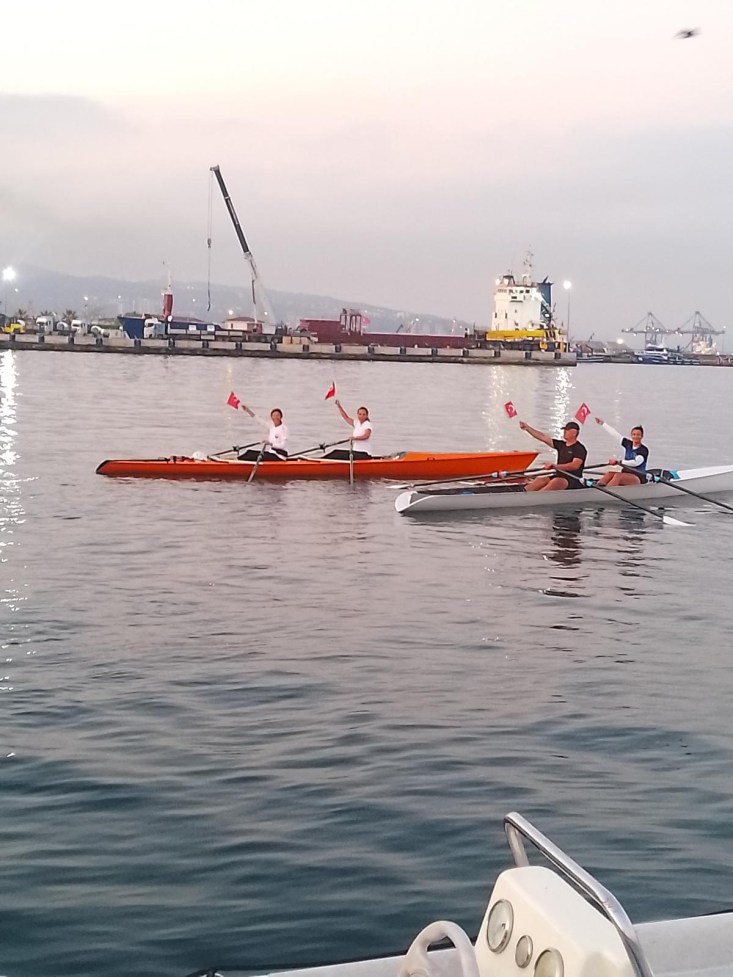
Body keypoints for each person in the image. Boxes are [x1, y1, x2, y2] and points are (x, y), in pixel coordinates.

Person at [519, 419, 588, 491]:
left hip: (573, 479)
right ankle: (523, 493)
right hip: (559, 476)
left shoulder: (579, 448)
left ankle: (539, 496)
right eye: (564, 430)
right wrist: (527, 428)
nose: (564, 432)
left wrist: (555, 466)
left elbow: (574, 466)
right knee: (541, 479)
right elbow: (543, 437)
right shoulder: (561, 445)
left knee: (556, 481)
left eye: (567, 430)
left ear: (574, 433)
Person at [595, 417, 648, 485]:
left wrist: (619, 462)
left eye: (638, 435)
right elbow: (615, 434)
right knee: (609, 473)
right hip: (626, 473)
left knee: (618, 476)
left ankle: (608, 489)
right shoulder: (628, 444)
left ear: (642, 436)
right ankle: (598, 486)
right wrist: (603, 424)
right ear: (631, 435)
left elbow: (636, 463)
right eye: (634, 434)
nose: (636, 437)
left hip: (638, 476)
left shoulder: (643, 450)